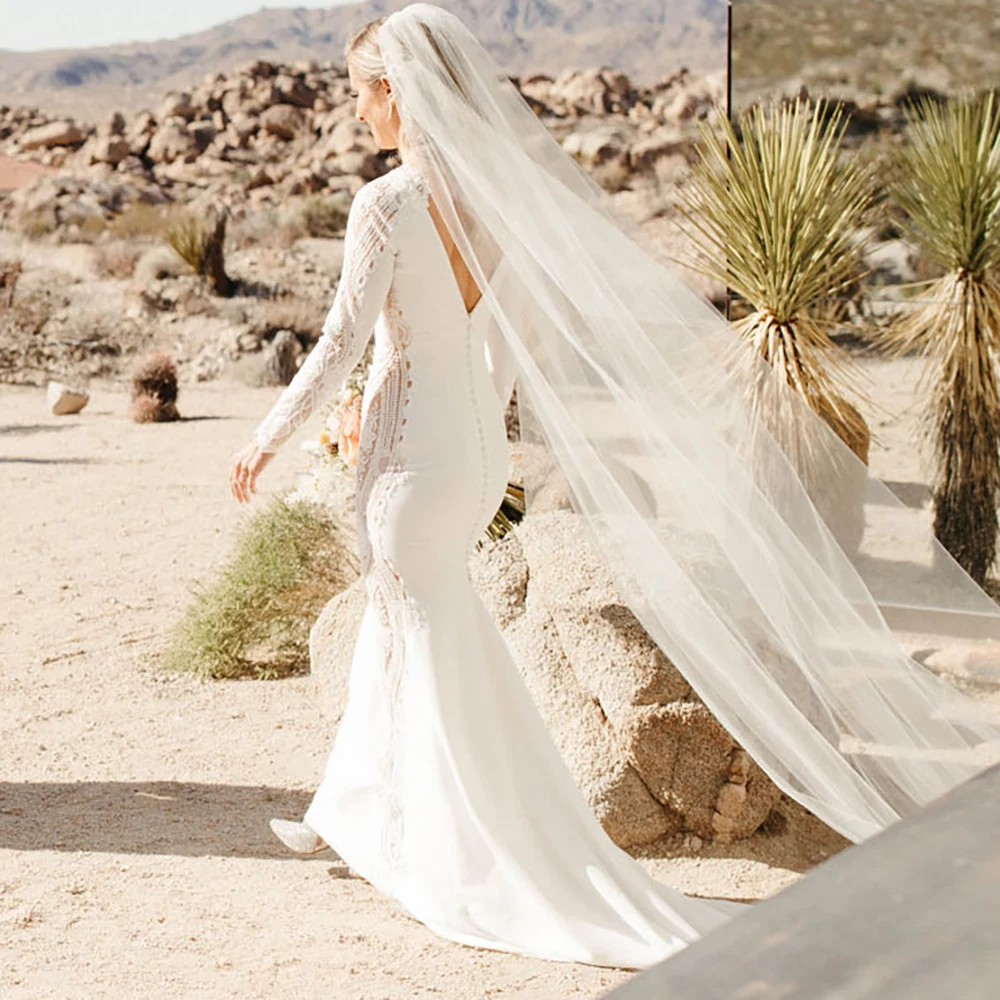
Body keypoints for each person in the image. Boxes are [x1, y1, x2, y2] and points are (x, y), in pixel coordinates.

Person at [229, 3, 1000, 970]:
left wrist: (267, 437)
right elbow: (503, 356)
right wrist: (487, 456)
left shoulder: (388, 204)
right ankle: (352, 809)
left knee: (423, 635)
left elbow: (342, 344)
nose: (355, 117)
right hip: (470, 462)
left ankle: (462, 842)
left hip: (412, 466)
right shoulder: (495, 204)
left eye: (360, 95)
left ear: (399, 92)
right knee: (405, 626)